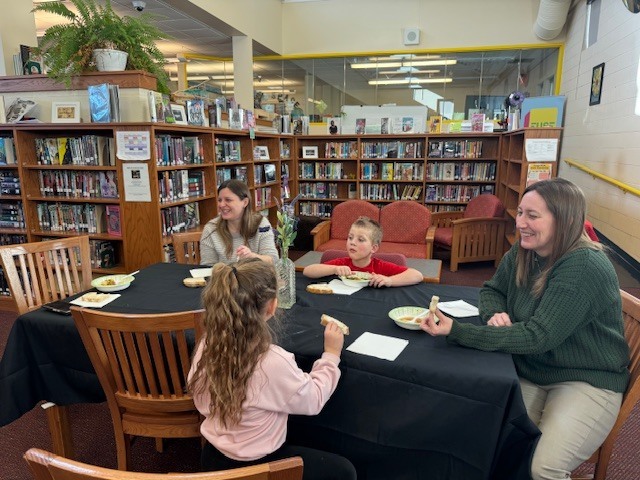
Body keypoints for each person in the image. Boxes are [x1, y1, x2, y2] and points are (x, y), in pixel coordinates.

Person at [420, 178, 630, 480]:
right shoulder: (525, 250)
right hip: (533, 368)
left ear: (566, 220)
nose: (521, 223)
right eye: (520, 213)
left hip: (585, 379)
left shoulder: (583, 265)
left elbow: (538, 336)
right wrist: (495, 314)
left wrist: (458, 331)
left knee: (541, 468)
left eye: (532, 216)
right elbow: (492, 289)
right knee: (488, 438)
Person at [188, 259, 357, 480]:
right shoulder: (273, 361)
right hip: (262, 467)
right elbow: (313, 399)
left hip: (212, 459)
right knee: (344, 472)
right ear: (272, 306)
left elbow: (199, 398)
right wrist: (331, 355)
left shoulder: (207, 344)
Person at [303, 216, 423, 287]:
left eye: (360, 240)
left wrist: (389, 280)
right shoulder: (342, 263)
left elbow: (417, 275)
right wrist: (334, 269)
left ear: (374, 248)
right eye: (350, 237)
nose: (352, 242)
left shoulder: (380, 267)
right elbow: (308, 271)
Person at [199, 179, 278, 265]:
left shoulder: (261, 224)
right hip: (223, 278)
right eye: (219, 200)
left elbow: (272, 260)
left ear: (245, 202)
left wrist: (252, 257)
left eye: (228, 200)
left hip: (255, 277)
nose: (221, 205)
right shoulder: (211, 228)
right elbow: (207, 267)